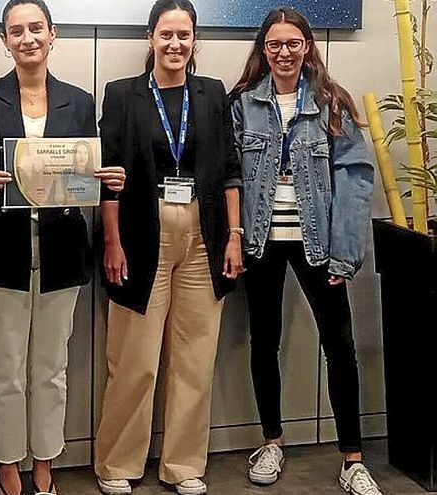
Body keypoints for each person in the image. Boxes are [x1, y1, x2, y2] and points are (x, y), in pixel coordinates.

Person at [0, 1, 125, 494]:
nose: (27, 38)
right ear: (4, 41)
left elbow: (86, 172)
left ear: (53, 34)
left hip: (62, 249)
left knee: (51, 368)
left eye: (36, 28)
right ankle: (8, 465)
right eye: (16, 31)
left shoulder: (79, 100)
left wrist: (105, 177)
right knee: (5, 363)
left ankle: (45, 464)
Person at [92, 1, 243, 494]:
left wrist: (235, 235)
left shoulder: (213, 94)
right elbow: (108, 178)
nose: (175, 44)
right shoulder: (123, 95)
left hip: (204, 233)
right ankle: (117, 465)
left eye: (184, 35)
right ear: (150, 37)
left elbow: (228, 171)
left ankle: (183, 465)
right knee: (134, 359)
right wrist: (111, 243)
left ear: (195, 39)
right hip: (139, 233)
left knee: (195, 358)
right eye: (166, 34)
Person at [229, 7, 380, 495]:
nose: (284, 53)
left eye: (293, 43)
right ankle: (272, 441)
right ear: (263, 50)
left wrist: (345, 254)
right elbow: (229, 177)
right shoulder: (243, 105)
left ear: (308, 47)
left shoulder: (331, 102)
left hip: (318, 246)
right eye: (274, 44)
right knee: (263, 342)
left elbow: (356, 179)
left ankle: (352, 459)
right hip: (261, 242)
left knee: (340, 346)